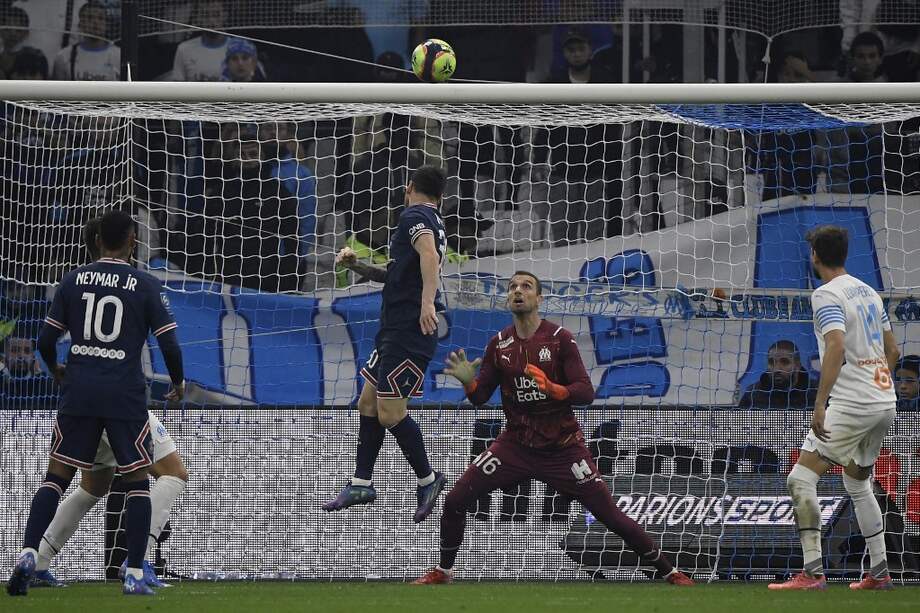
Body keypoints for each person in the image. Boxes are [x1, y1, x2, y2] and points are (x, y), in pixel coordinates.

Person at [413, 271, 694, 585]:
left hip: (563, 448)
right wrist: (468, 382)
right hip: (515, 446)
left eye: (526, 286)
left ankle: (670, 572)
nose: (518, 291)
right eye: (513, 287)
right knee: (454, 501)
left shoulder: (560, 338)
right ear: (508, 299)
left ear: (539, 299)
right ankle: (444, 572)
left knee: (610, 516)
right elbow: (479, 398)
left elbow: (585, 392)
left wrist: (554, 389)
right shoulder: (499, 344)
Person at [6, 209, 186, 597]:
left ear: (97, 239)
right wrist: (177, 381)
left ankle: (29, 553)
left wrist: (56, 370)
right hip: (123, 394)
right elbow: (169, 342)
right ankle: (136, 571)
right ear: (132, 240)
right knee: (141, 479)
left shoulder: (72, 281)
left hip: (80, 391)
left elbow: (44, 342)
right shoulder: (143, 283)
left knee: (60, 478)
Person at [769, 225, 900, 591]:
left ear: (815, 256)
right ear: (843, 253)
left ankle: (811, 574)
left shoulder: (826, 294)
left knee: (800, 478)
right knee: (858, 482)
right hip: (884, 400)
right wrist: (875, 383)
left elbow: (836, 346)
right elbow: (894, 351)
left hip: (853, 403)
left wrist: (820, 403)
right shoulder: (869, 292)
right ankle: (879, 573)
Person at [323, 165, 449, 523]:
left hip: (409, 331)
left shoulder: (415, 215)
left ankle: (428, 479)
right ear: (442, 197)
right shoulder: (430, 219)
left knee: (391, 411)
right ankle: (362, 482)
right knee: (368, 402)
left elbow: (429, 257)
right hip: (395, 331)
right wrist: (358, 266)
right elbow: (395, 277)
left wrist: (427, 304)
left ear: (408, 188)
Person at [738, 340, 818, 410]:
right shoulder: (753, 394)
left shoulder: (816, 392)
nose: (776, 369)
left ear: (797, 365)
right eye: (771, 362)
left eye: (785, 362)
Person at [51, 1, 120, 81]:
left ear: (107, 24)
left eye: (100, 18)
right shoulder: (63, 57)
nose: (95, 22)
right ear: (81, 24)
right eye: (90, 18)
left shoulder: (119, 56)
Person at [170, 0, 229, 82]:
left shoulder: (237, 48)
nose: (211, 21)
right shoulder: (184, 49)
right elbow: (177, 86)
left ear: (225, 16)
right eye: (205, 15)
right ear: (199, 18)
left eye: (216, 15)